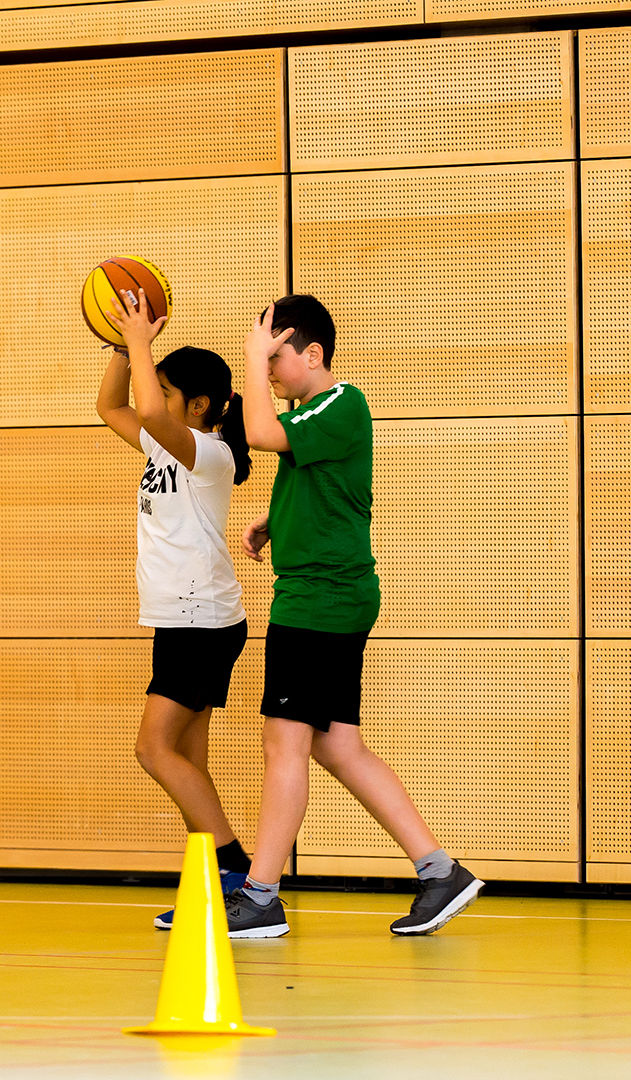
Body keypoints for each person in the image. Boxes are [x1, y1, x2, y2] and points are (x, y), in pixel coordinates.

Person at [229, 294, 483, 938]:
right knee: (338, 744)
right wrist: (275, 519)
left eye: (275, 357)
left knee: (283, 743)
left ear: (313, 354)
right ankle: (439, 871)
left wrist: (252, 359)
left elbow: (260, 435)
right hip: (328, 594)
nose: (268, 370)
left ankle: (260, 896)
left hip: (320, 599)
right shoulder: (314, 414)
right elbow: (324, 483)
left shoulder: (343, 401)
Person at [94, 288, 255, 931]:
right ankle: (214, 891)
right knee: (190, 763)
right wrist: (121, 346)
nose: (152, 398)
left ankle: (240, 875)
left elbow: (147, 413)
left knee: (153, 749)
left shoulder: (209, 453)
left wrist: (142, 340)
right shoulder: (167, 445)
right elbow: (111, 406)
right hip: (186, 620)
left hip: (200, 621)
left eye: (164, 390)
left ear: (201, 405)